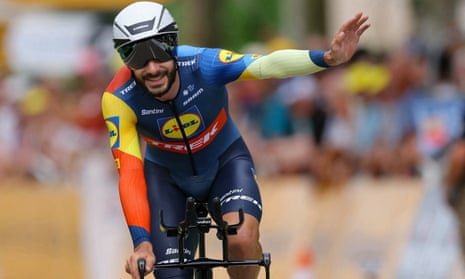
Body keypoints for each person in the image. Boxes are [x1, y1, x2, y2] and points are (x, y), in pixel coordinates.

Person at [101, 2, 369, 278]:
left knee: (241, 241)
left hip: (224, 164)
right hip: (167, 180)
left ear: (173, 45)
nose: (153, 68)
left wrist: (326, 58)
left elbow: (265, 65)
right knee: (170, 274)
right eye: (136, 58)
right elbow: (130, 173)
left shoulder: (202, 64)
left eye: (159, 52)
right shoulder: (118, 98)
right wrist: (142, 244)